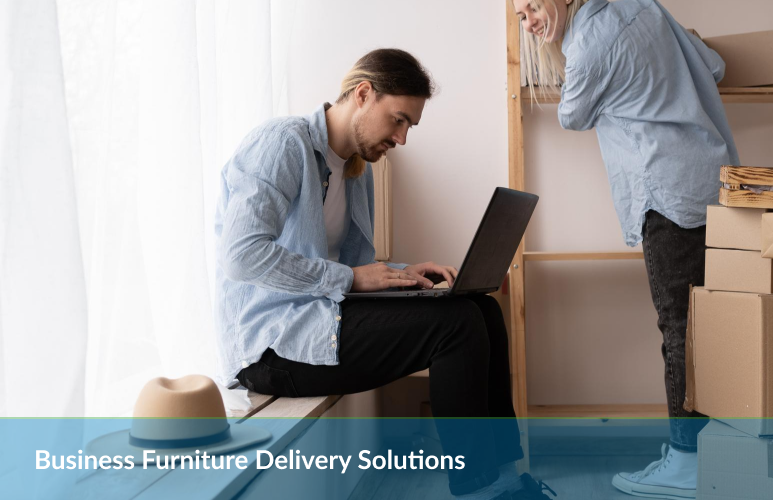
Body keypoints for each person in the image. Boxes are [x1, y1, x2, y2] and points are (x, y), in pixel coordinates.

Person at [214, 48, 553, 500]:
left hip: (322, 322)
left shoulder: (356, 168)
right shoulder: (282, 143)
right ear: (363, 94)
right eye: (399, 120)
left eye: (409, 125)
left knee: (481, 308)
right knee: (457, 327)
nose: (403, 138)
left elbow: (354, 268)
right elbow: (241, 255)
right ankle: (481, 492)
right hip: (273, 347)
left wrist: (402, 273)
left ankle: (507, 482)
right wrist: (350, 280)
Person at [511, 0, 741, 498]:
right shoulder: (644, 7)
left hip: (666, 194)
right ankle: (703, 456)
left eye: (532, 5)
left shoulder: (590, 46)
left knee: (679, 329)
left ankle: (687, 463)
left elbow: (572, 114)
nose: (528, 21)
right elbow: (715, 65)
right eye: (518, 15)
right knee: (706, 329)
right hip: (708, 182)